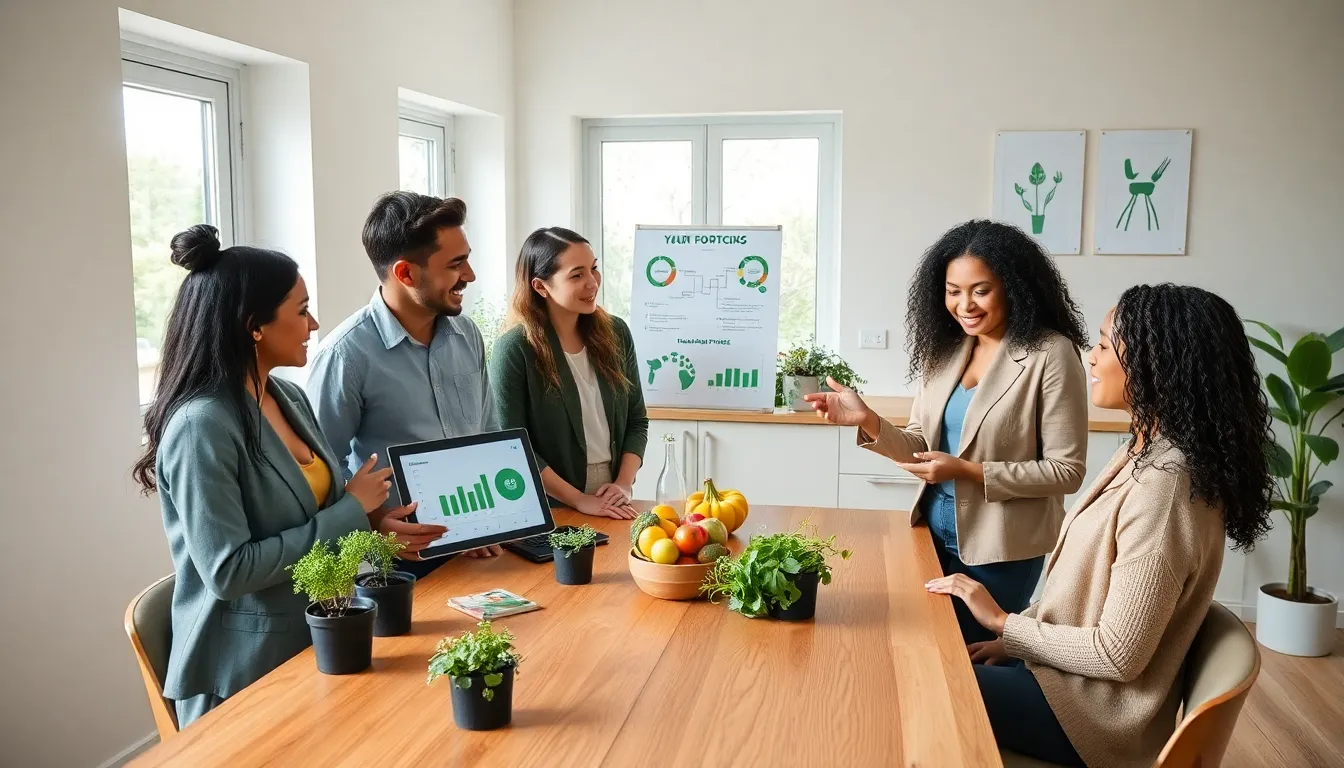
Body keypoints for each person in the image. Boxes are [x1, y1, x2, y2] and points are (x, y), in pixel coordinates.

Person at [925, 284, 1274, 768]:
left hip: (1091, 718)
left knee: (926, 681)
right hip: (1064, 685)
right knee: (935, 665)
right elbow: (1084, 601)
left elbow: (1118, 655)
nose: (1091, 356)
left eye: (1106, 345)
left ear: (1157, 364)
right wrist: (1014, 640)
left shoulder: (1165, 487)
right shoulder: (1145, 452)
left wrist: (1003, 620)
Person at [133, 225, 438, 728]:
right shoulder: (200, 426)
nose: (313, 324)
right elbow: (229, 572)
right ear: (254, 326)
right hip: (247, 674)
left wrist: (374, 529)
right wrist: (352, 509)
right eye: (301, 311)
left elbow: (314, 518)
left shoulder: (288, 396)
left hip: (323, 636)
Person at [806, 220, 1090, 642]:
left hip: (1000, 550)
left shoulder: (1050, 353)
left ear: (1014, 287)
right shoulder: (945, 350)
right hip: (931, 535)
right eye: (953, 291)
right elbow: (920, 446)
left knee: (969, 660)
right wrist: (868, 420)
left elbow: (1066, 471)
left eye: (981, 290)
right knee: (927, 650)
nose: (965, 305)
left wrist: (966, 471)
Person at [307, 192, 501, 579]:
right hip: (396, 565)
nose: (470, 275)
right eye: (456, 264)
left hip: (479, 548)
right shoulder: (344, 355)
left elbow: (489, 435)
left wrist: (491, 518)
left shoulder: (467, 335)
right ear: (406, 274)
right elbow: (318, 472)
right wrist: (375, 521)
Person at [489, 227, 648, 517]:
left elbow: (637, 420)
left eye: (594, 268)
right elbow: (512, 445)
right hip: (548, 504)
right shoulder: (514, 349)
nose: (593, 282)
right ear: (541, 286)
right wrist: (578, 499)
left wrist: (624, 483)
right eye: (577, 275)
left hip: (612, 498)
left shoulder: (616, 333)